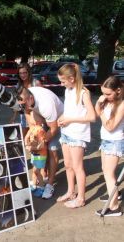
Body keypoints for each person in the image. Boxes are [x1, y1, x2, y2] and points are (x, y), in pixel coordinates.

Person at [57, 63, 96, 208]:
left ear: (72, 78)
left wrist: (69, 119)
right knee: (68, 165)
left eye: (63, 81)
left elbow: (92, 117)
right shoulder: (68, 90)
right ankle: (70, 191)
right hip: (66, 132)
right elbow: (70, 110)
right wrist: (63, 117)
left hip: (77, 135)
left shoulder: (84, 93)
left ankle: (81, 198)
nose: (61, 84)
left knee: (78, 167)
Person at [17, 86, 64, 199]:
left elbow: (53, 128)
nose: (22, 107)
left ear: (31, 98)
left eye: (23, 104)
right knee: (40, 153)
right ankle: (43, 177)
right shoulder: (25, 99)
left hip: (57, 120)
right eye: (21, 105)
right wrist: (30, 135)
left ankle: (50, 184)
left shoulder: (46, 105)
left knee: (51, 150)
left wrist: (40, 143)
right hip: (43, 119)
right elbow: (28, 114)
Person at [94, 76, 123, 216]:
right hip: (105, 140)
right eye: (103, 93)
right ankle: (114, 195)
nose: (104, 96)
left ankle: (115, 207)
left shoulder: (122, 105)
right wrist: (99, 104)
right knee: (105, 170)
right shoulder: (107, 100)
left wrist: (100, 113)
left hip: (114, 142)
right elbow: (96, 111)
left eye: (108, 94)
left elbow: (110, 126)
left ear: (118, 91)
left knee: (109, 174)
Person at [10, 63, 42, 137]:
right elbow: (17, 102)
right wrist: (13, 117)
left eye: (25, 72)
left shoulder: (36, 83)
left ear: (29, 72)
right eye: (20, 73)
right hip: (24, 114)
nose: (23, 75)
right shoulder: (18, 85)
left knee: (36, 136)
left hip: (36, 114)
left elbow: (43, 99)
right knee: (24, 137)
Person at [25, 111, 47, 197]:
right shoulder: (32, 128)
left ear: (39, 120)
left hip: (40, 155)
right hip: (34, 154)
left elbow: (41, 145)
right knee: (34, 171)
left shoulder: (40, 130)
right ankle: (34, 185)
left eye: (33, 117)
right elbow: (26, 137)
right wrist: (26, 143)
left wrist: (32, 148)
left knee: (37, 171)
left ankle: (41, 187)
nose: (30, 119)